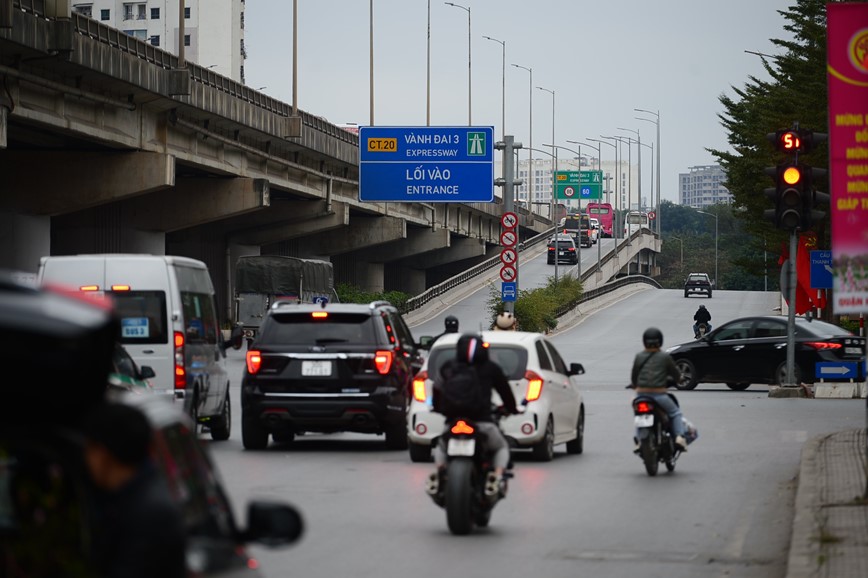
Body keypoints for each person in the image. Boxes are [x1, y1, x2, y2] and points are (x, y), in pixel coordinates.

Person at [82, 403, 187, 578]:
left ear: (102, 454)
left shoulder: (149, 515)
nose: (85, 459)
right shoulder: (129, 497)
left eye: (89, 449)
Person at [427, 333, 519, 498]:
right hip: (483, 423)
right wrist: (511, 409)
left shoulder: (448, 367)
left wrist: (437, 407)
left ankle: (439, 473)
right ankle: (496, 477)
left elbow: (437, 390)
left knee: (441, 445)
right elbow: (506, 394)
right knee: (501, 447)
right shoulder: (491, 368)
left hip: (453, 423)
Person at [631, 327, 687, 452]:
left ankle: (639, 441)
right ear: (660, 341)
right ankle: (679, 437)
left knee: (639, 416)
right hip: (659, 395)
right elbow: (675, 374)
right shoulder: (664, 357)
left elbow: (634, 375)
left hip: (641, 394)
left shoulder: (639, 356)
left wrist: (635, 386)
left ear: (644, 341)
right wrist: (679, 380)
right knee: (675, 413)